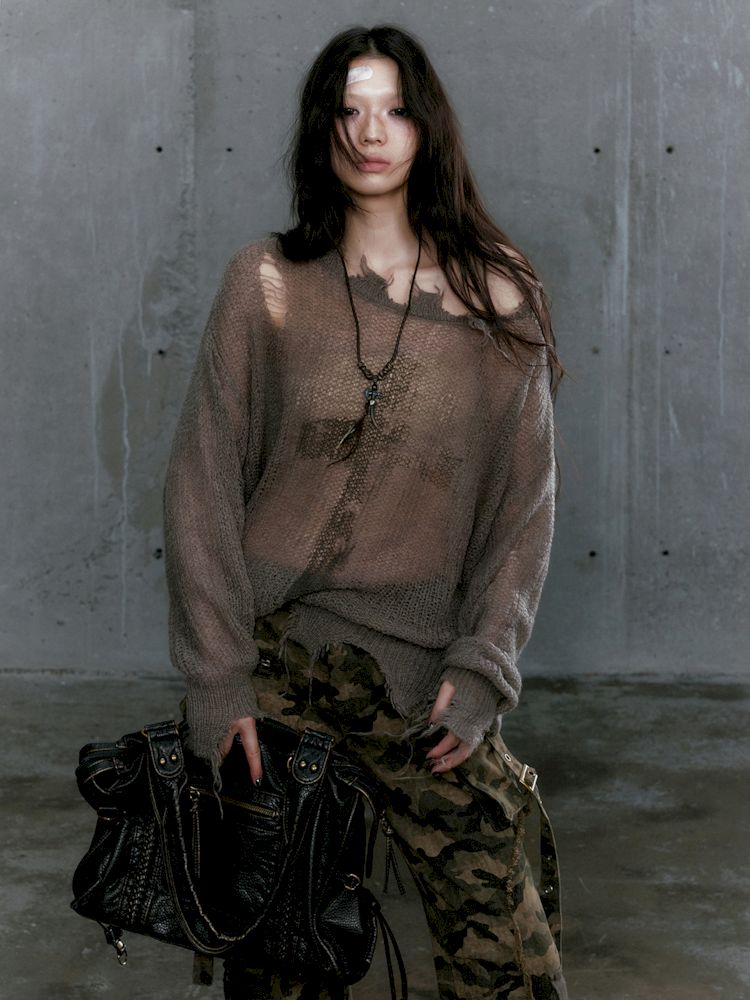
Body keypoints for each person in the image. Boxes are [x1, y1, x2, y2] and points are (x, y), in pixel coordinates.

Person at [163, 23, 567, 1000]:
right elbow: (201, 483)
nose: (371, 132)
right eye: (348, 109)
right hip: (275, 667)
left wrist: (483, 664)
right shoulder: (265, 283)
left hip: (422, 676)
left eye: (393, 109)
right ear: (323, 129)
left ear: (427, 128)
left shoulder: (497, 292)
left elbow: (524, 507)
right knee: (282, 966)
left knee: (510, 968)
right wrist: (218, 680)